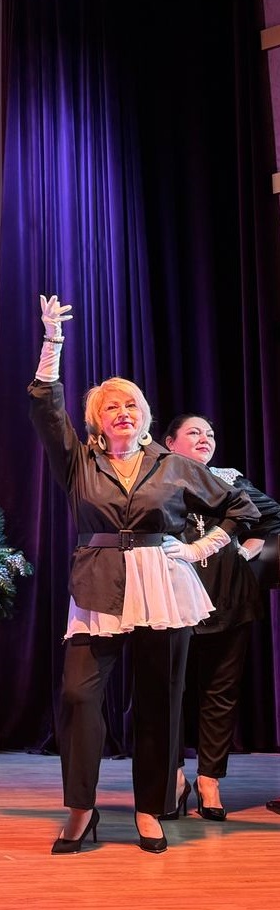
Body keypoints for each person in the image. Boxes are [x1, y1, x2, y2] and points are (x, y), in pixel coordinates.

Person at [29, 297, 258, 855]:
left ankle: (150, 808)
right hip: (98, 582)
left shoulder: (174, 464)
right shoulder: (79, 461)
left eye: (131, 404)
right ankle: (82, 809)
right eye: (111, 407)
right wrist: (53, 343)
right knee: (79, 696)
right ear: (96, 420)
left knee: (160, 699)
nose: (122, 412)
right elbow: (45, 407)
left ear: (146, 415)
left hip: (163, 584)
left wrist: (201, 547)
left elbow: (241, 508)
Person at [160, 414, 280, 820]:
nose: (205, 439)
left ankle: (210, 779)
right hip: (172, 599)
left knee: (220, 692)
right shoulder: (156, 480)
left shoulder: (228, 478)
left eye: (210, 433)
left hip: (229, 599)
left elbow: (272, 516)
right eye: (194, 432)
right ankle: (172, 777)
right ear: (169, 442)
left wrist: (245, 552)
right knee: (168, 692)